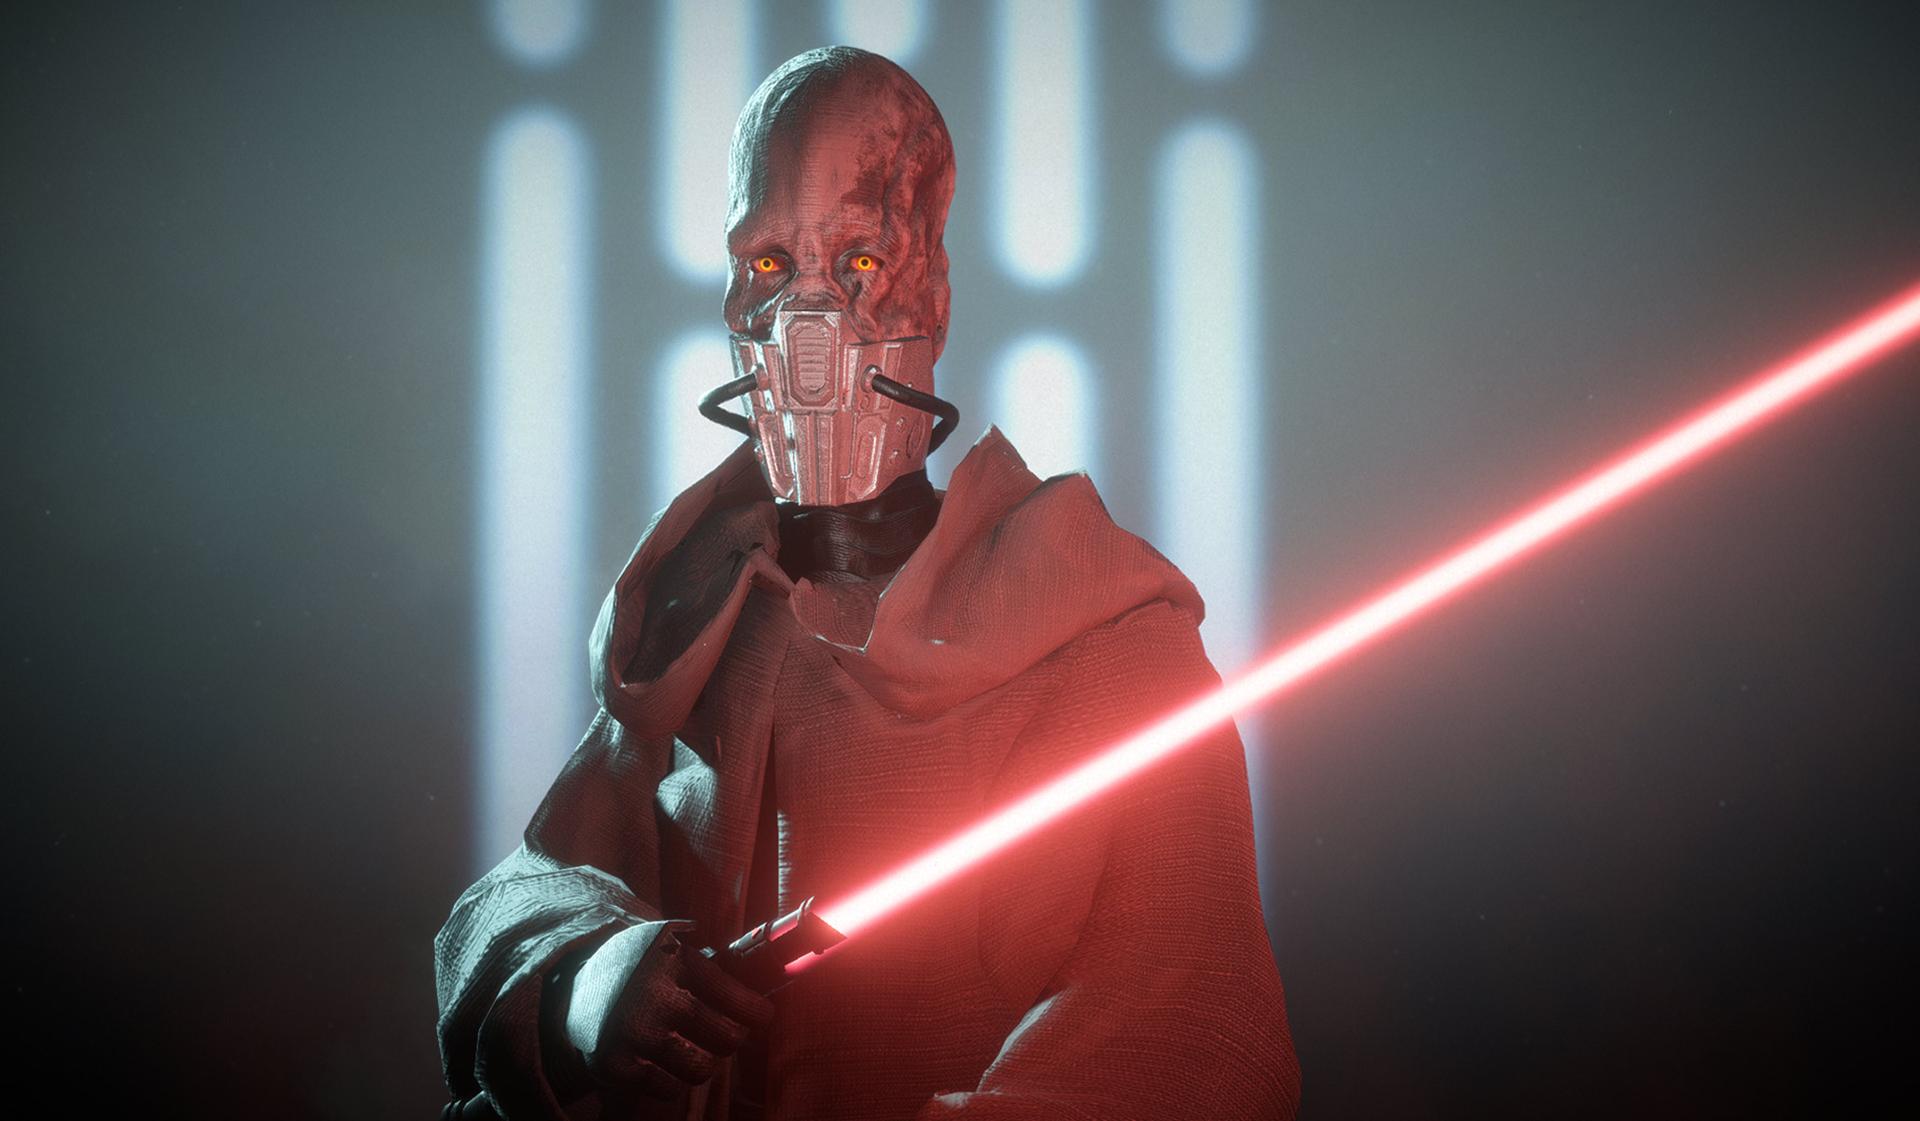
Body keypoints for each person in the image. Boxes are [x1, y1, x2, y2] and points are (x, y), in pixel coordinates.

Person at [435, 46, 1300, 1121]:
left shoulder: (1108, 648)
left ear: (931, 287)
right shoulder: (692, 634)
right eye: (766, 262)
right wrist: (593, 981)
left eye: (857, 261)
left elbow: (1193, 1028)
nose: (807, 328)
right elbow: (524, 885)